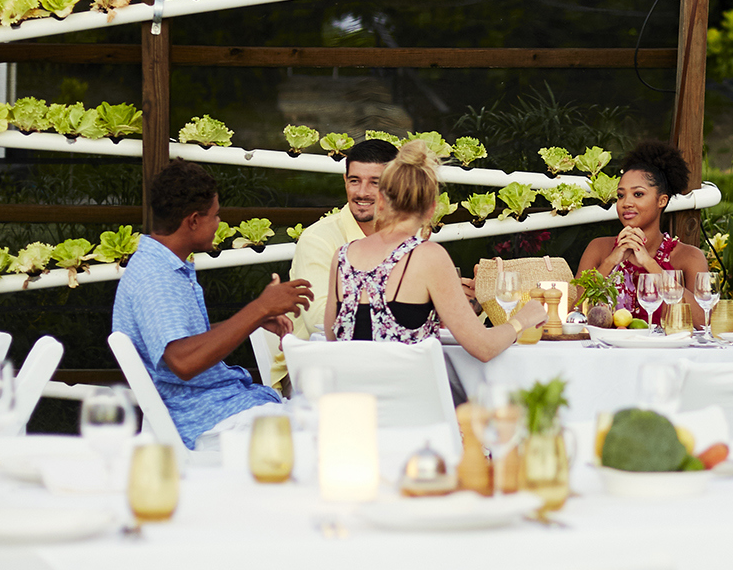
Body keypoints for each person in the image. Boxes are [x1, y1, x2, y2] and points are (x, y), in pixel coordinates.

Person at [113, 160, 313, 449]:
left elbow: (183, 341)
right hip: (213, 424)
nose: (219, 222)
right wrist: (258, 308)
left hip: (230, 411)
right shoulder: (156, 278)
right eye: (216, 215)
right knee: (333, 430)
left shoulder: (163, 267)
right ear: (193, 220)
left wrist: (254, 319)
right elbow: (182, 361)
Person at [326, 140, 546, 362]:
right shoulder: (428, 256)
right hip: (407, 394)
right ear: (432, 208)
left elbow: (333, 338)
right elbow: (484, 347)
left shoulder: (343, 256)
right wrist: (523, 319)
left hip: (347, 394)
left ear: (380, 200)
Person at [577, 140, 711, 325]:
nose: (626, 203)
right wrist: (611, 261)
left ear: (662, 201)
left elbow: (703, 321)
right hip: (607, 350)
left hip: (667, 352)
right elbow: (575, 312)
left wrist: (649, 263)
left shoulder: (689, 257)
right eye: (621, 195)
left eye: (638, 194)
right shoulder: (599, 249)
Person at [287, 138, 398, 345]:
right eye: (354, 181)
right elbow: (319, 322)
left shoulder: (407, 236)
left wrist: (463, 304)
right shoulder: (318, 239)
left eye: (375, 182)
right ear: (345, 180)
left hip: (386, 356)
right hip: (316, 364)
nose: (362, 192)